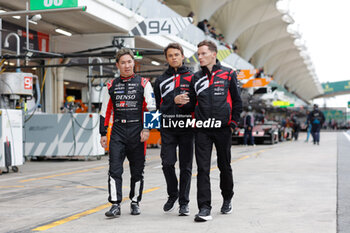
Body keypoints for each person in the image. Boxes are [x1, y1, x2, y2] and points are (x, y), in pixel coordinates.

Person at [99, 48, 156, 218]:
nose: (126, 66)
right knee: (114, 169)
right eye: (123, 63)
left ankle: (135, 202)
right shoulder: (110, 85)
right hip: (117, 131)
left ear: (134, 63)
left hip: (137, 131)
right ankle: (115, 204)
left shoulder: (144, 83)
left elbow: (152, 107)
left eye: (129, 62)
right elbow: (104, 111)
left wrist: (147, 129)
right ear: (118, 65)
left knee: (137, 170)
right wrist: (103, 133)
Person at [192, 40, 242, 222]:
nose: (200, 57)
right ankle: (204, 208)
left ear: (214, 54)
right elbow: (191, 103)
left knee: (224, 166)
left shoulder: (228, 74)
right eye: (198, 54)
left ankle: (227, 197)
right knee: (203, 169)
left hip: (223, 128)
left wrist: (233, 123)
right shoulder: (196, 78)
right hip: (202, 129)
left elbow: (237, 101)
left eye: (203, 53)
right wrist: (180, 102)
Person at [154, 43, 195, 216]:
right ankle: (173, 194)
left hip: (187, 127)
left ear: (183, 56)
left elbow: (197, 103)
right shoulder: (160, 81)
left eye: (177, 54)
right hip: (168, 128)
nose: (174, 58)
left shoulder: (193, 77)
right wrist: (173, 101)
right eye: (170, 55)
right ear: (167, 58)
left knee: (186, 167)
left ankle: (184, 203)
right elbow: (156, 106)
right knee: (167, 163)